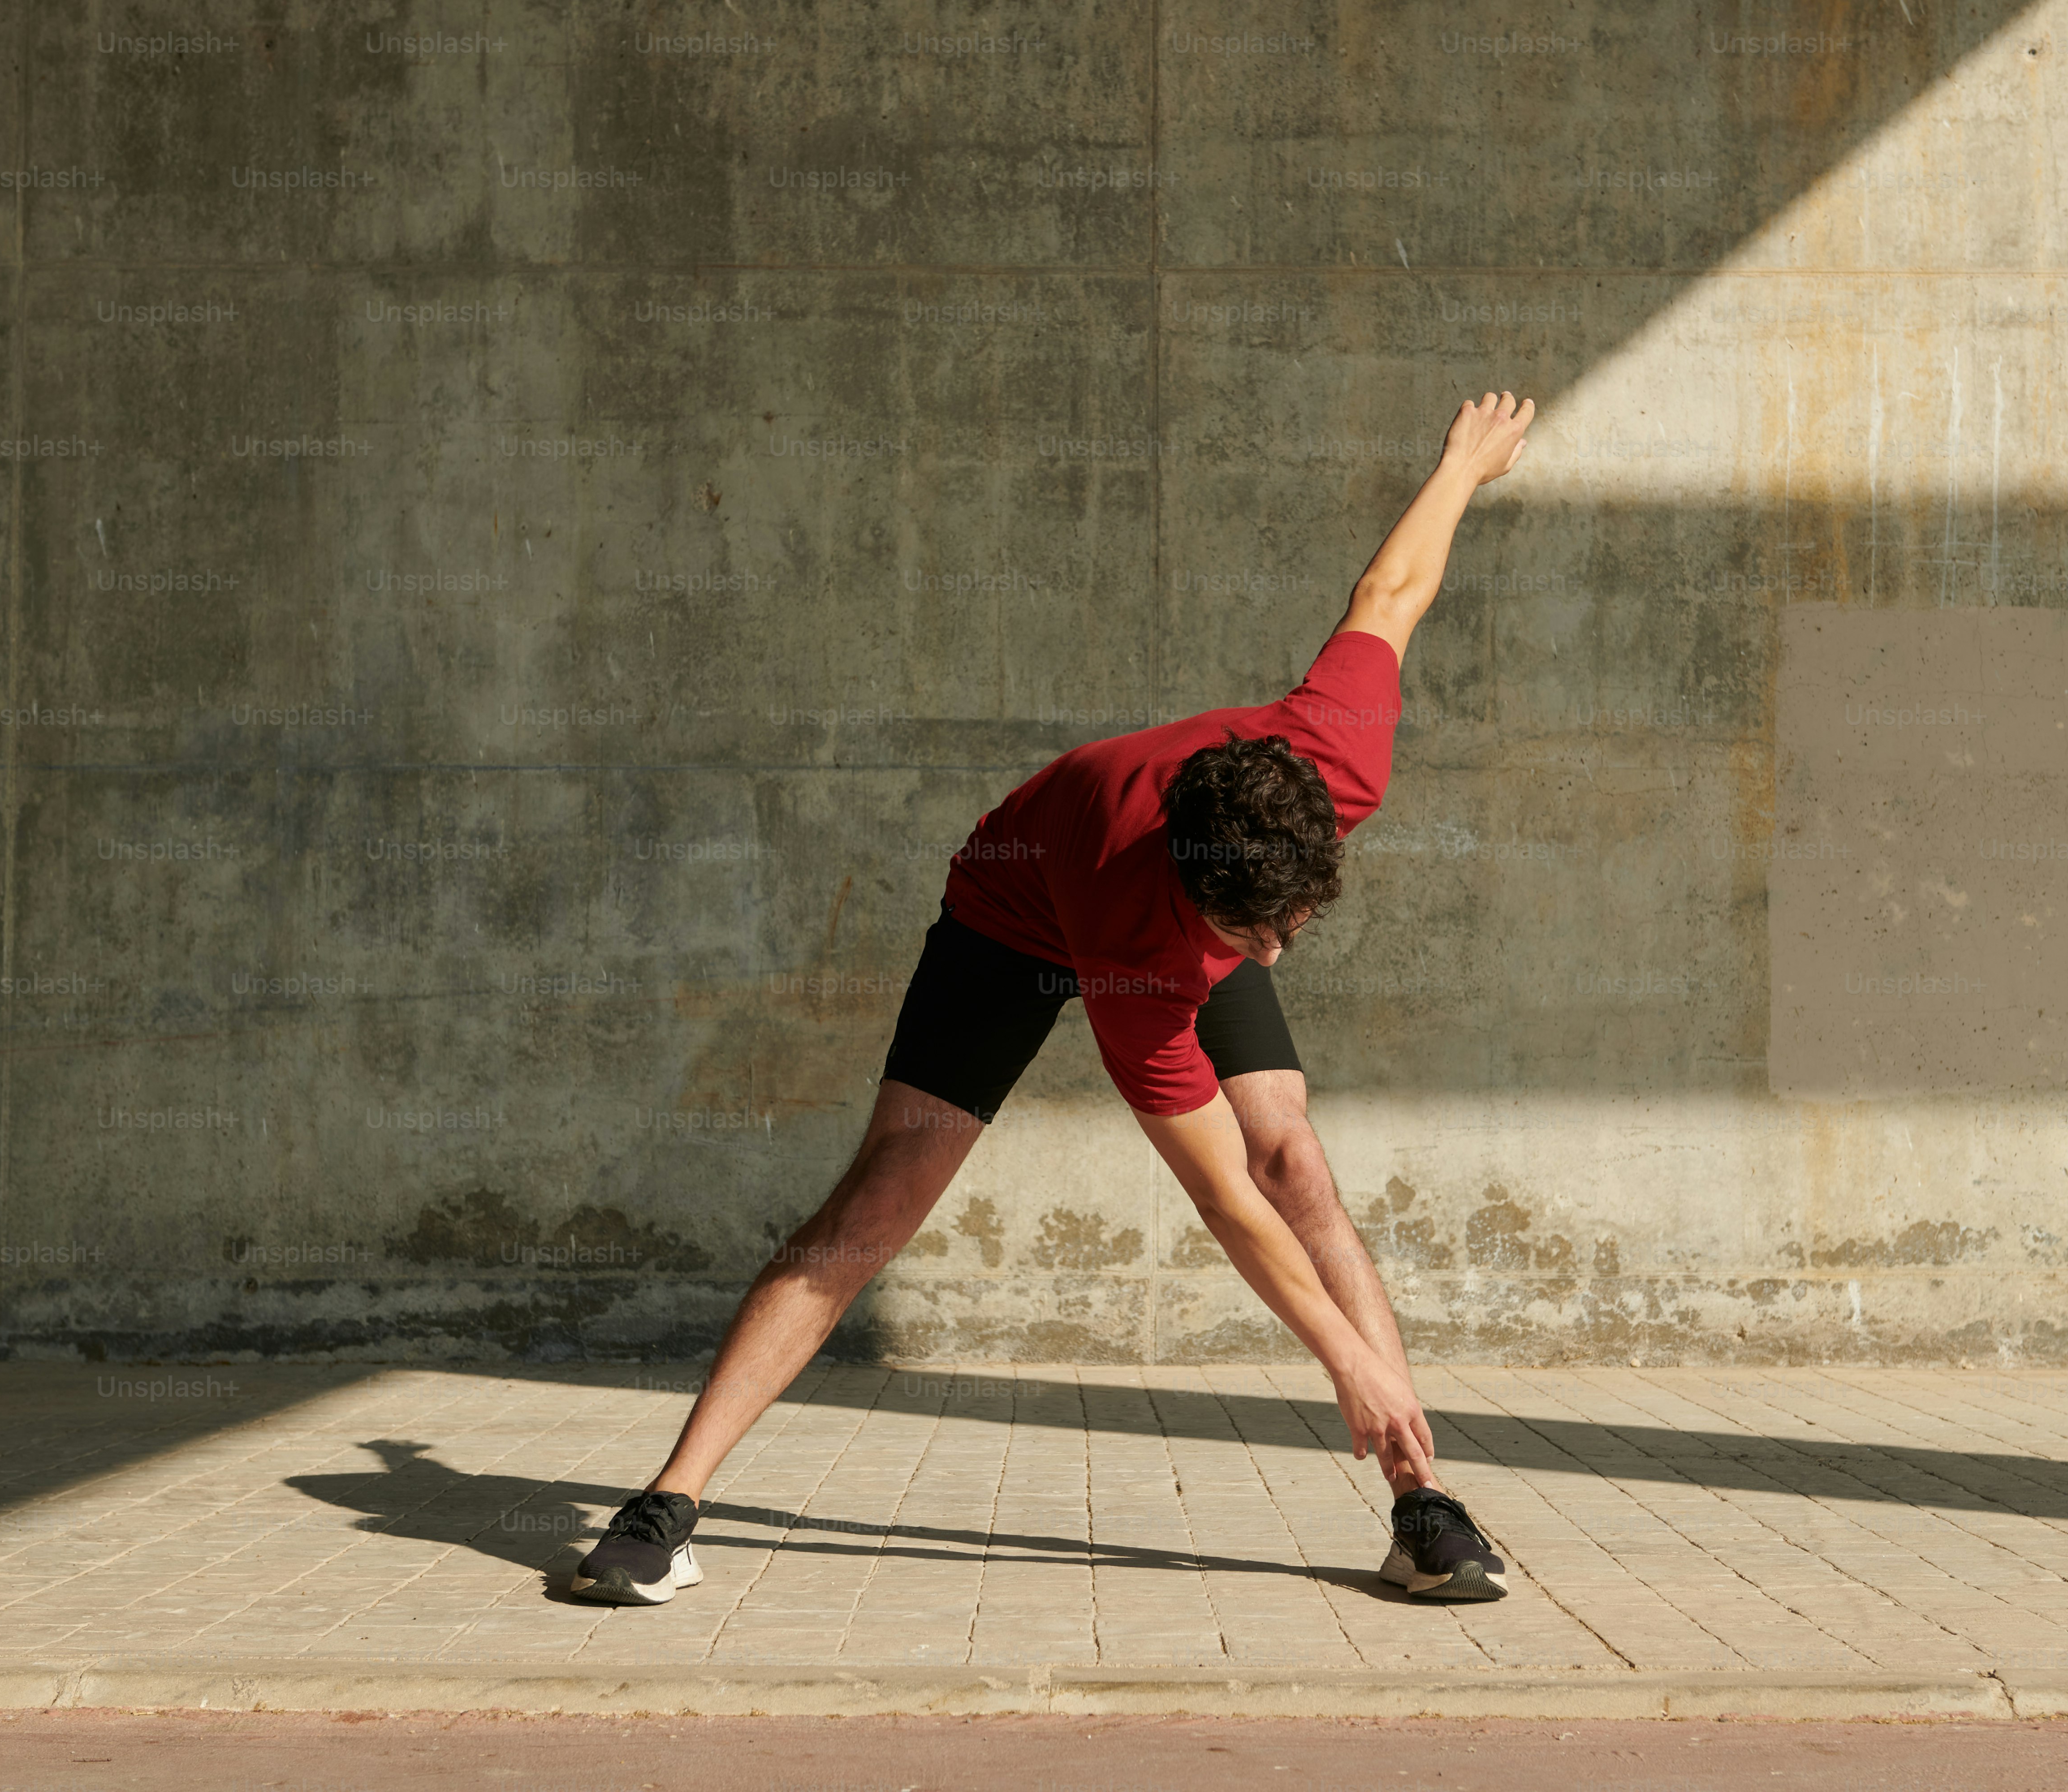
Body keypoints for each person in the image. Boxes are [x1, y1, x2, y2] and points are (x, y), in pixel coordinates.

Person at [573, 392, 1538, 1607]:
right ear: (1193, 910)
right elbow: (1216, 1195)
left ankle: (1422, 1508)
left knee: (1298, 1155)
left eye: (1296, 925)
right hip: (1012, 915)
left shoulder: (1333, 751)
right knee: (880, 1201)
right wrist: (1347, 1359)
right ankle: (669, 1503)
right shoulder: (1142, 950)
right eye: (1256, 937)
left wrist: (1461, 464)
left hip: (1169, 891)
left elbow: (1391, 595)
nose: (1280, 958)